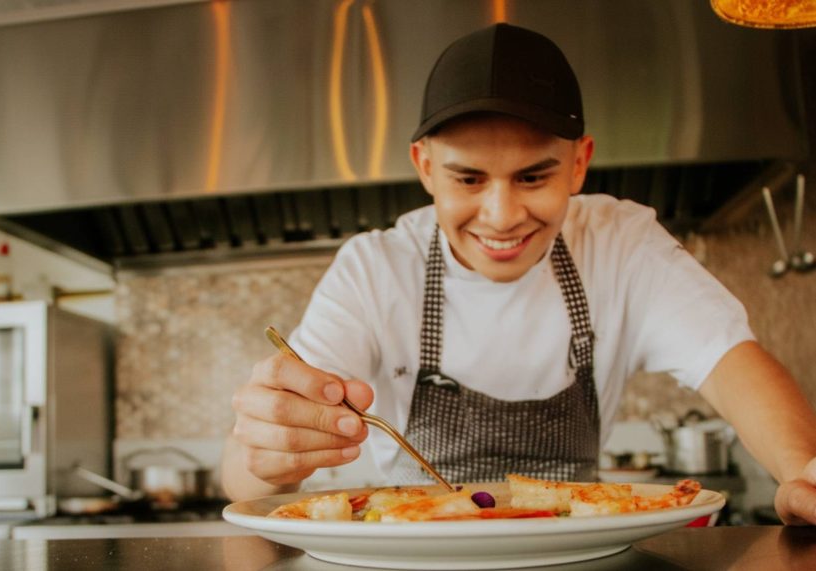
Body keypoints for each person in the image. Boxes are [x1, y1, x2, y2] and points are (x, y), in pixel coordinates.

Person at [222, 23, 816, 525]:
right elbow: (242, 481)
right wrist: (267, 455)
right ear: (425, 167)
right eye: (468, 178)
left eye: (534, 177)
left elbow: (731, 362)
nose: (502, 217)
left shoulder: (622, 244)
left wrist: (801, 476)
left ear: (579, 163)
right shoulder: (374, 270)